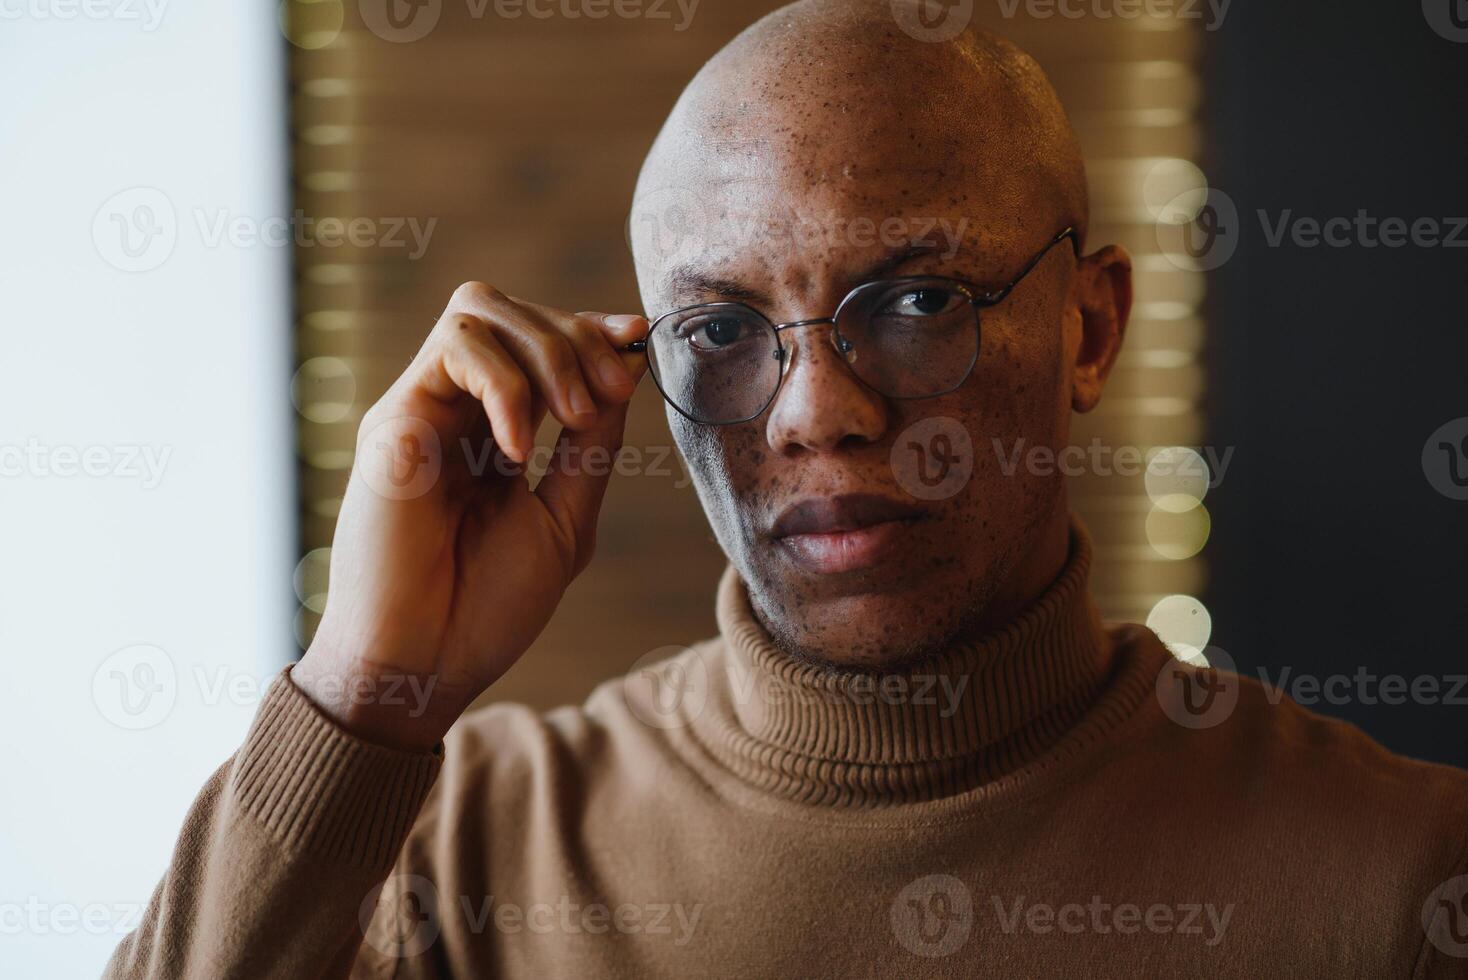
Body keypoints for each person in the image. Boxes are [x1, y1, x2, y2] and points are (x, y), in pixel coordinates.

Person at [106, 1, 1468, 976]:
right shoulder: (461, 856)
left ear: (1094, 327)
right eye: (720, 329)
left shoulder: (1399, 883)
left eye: (921, 297)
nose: (819, 411)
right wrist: (362, 686)